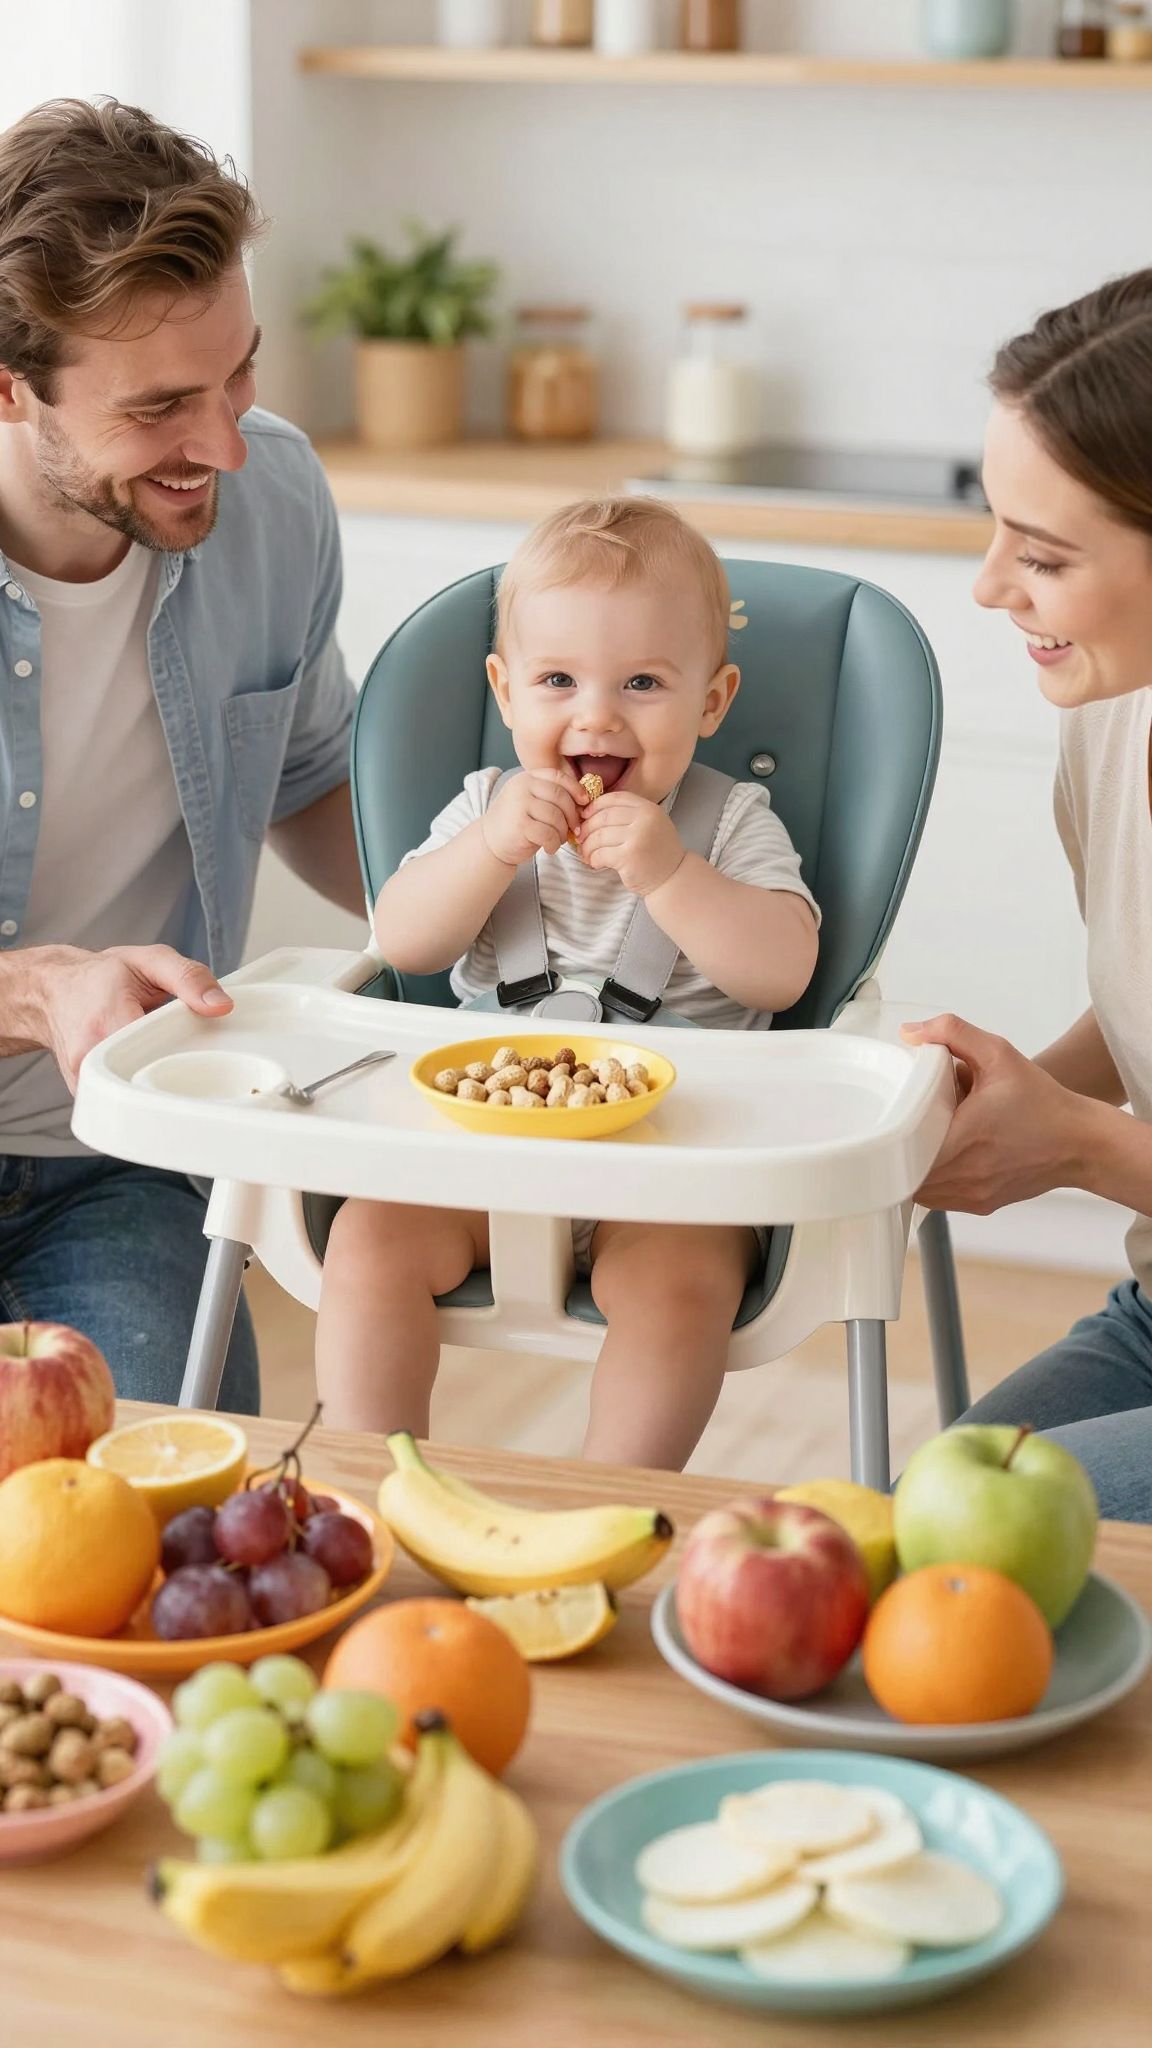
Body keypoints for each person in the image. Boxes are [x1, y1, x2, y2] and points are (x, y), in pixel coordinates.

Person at [316, 497, 820, 1468]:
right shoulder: (485, 809)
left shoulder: (727, 823)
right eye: (558, 680)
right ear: (505, 693)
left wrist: (672, 874)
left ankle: (604, 1502)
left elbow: (785, 969)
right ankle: (371, 1481)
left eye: (641, 682)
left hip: (673, 1178)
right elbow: (402, 941)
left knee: (681, 1288)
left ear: (710, 702)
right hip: (483, 1162)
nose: (596, 714)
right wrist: (493, 846)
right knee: (369, 1241)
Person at [0, 100, 365, 1411]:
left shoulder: (271, 497)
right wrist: (38, 994)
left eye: (240, 375)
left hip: (126, 1155)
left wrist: (506, 886)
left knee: (172, 1513)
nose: (220, 445)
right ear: (9, 386)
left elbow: (315, 777)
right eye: (159, 407)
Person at [905, 267, 1152, 1523]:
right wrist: (1024, 1088)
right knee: (908, 1523)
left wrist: (1077, 1145)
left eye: (1044, 554)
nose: (992, 584)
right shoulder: (1114, 711)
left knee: (983, 1556)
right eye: (996, 523)